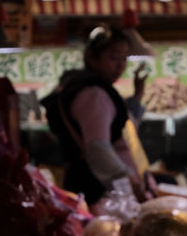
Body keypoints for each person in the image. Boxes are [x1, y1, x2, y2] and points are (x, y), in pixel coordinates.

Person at [42, 24, 149, 207]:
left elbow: (125, 132)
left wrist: (137, 95)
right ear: (91, 57)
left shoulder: (96, 91)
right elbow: (98, 149)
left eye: (124, 59)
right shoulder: (94, 95)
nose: (120, 66)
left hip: (106, 193)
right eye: (113, 57)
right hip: (102, 195)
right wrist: (127, 178)